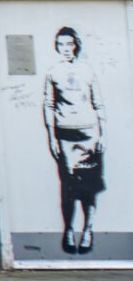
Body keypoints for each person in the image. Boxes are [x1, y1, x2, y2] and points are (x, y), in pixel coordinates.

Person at [44, 25, 105, 255]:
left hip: (89, 134)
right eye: (61, 44)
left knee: (89, 187)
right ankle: (69, 230)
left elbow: (98, 103)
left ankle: (88, 230)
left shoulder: (87, 71)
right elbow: (49, 105)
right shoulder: (53, 72)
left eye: (69, 44)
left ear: (76, 45)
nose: (66, 48)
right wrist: (52, 137)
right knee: (68, 187)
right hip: (65, 135)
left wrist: (102, 134)